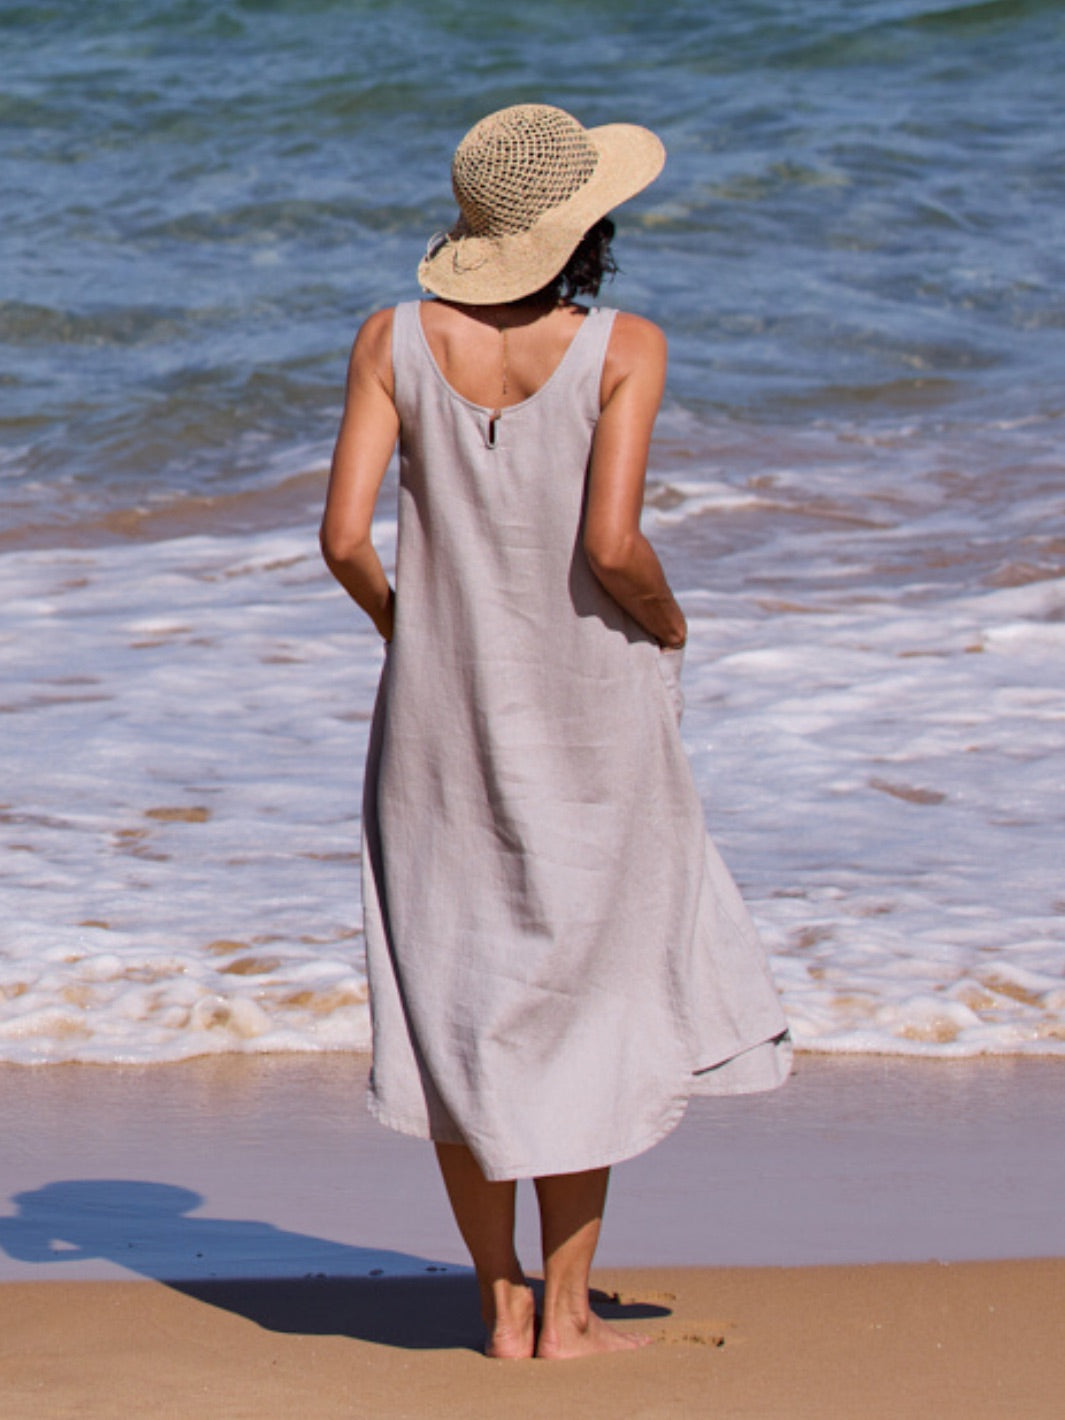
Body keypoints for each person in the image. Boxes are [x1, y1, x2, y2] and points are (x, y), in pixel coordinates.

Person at [320, 103, 791, 1361]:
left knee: (460, 985)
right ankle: (573, 1313)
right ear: (581, 223)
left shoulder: (389, 340)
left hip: (433, 711)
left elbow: (344, 541)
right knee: (591, 983)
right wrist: (672, 623)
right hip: (591, 707)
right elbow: (612, 545)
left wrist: (411, 631)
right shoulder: (624, 345)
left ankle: (501, 1306)